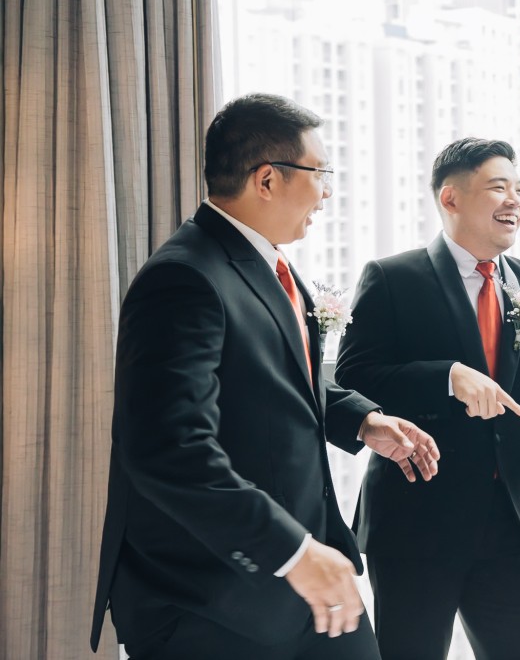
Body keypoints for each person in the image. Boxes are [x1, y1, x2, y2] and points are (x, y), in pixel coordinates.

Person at [91, 94, 442, 660]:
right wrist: (292, 553)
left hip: (304, 576)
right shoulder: (183, 279)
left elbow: (273, 377)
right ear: (267, 180)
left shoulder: (267, 263)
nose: (327, 192)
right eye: (320, 173)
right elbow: (168, 449)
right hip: (210, 595)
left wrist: (361, 420)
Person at [335, 137, 520, 660]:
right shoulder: (393, 277)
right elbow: (354, 378)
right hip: (416, 524)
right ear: (450, 198)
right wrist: (446, 377)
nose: (515, 200)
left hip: (513, 525)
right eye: (499, 187)